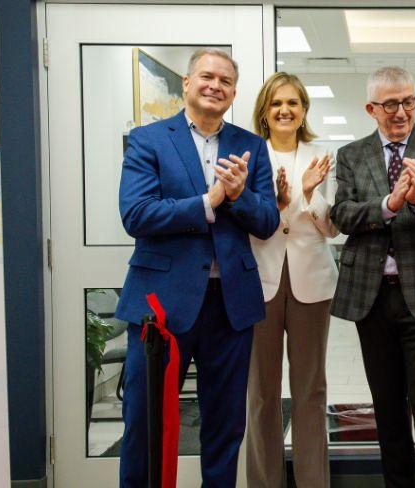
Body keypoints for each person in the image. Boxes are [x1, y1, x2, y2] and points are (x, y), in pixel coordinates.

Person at [114, 48, 279, 487]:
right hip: (162, 306)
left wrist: (241, 195)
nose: (215, 86)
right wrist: (209, 203)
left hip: (231, 307)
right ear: (186, 83)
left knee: (226, 427)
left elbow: (267, 222)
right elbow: (137, 215)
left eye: (225, 82)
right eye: (206, 77)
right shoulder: (148, 140)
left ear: (234, 93)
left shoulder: (251, 146)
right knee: (146, 423)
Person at [330, 66, 415, 488]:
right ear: (372, 108)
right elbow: (343, 215)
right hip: (372, 298)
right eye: (391, 104)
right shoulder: (352, 155)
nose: (402, 111)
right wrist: (388, 204)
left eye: (409, 101)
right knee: (387, 409)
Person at [246, 72, 338, 488]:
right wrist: (282, 202)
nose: (285, 110)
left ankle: (313, 482)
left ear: (303, 111)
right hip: (260, 282)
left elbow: (332, 229)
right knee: (262, 395)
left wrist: (309, 194)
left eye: (293, 103)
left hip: (312, 285)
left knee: (310, 392)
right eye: (276, 103)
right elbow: (247, 222)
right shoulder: (248, 155)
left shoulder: (322, 156)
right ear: (265, 112)